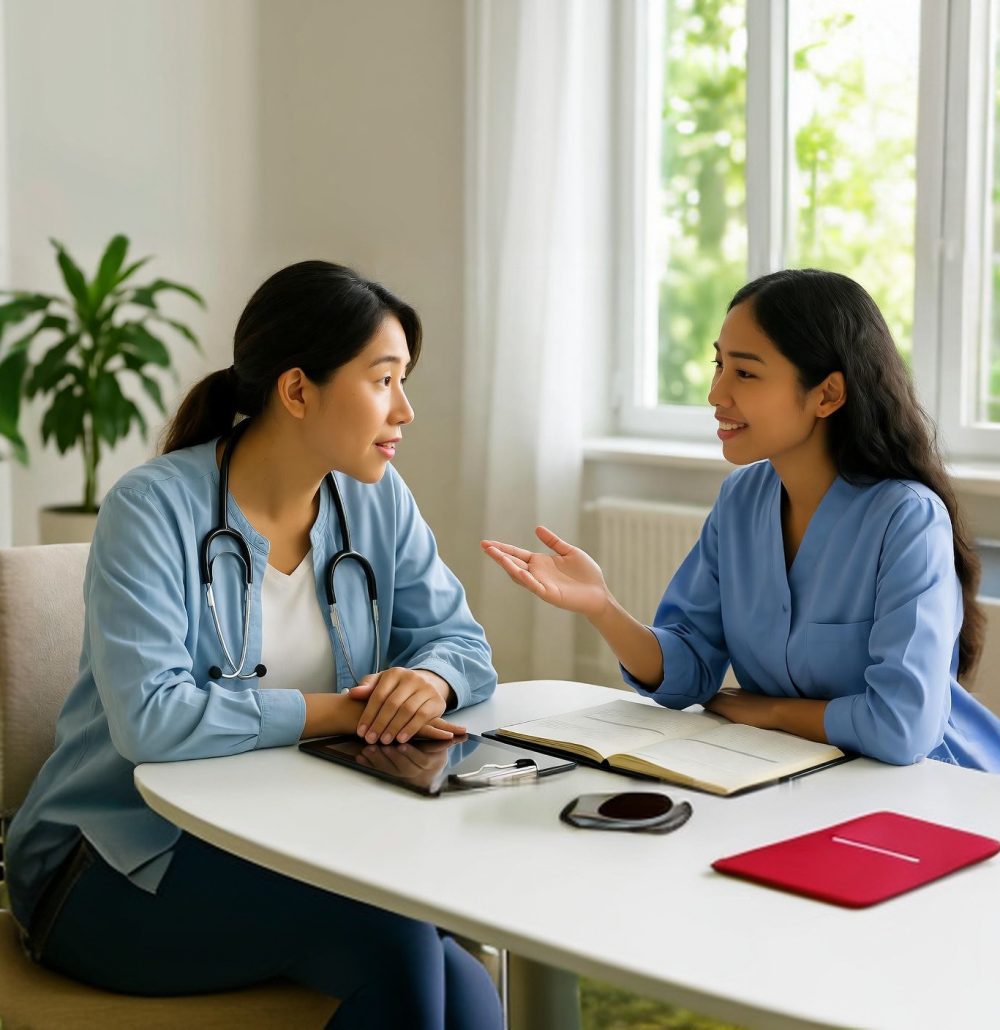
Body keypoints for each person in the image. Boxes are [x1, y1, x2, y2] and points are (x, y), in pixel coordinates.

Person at [6, 261, 503, 1030]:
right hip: (111, 865)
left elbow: (463, 645)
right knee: (401, 940)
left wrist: (431, 681)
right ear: (298, 389)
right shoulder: (151, 509)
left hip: (282, 839)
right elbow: (152, 721)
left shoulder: (377, 500)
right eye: (383, 380)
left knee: (466, 986)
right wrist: (340, 711)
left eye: (405, 381)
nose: (405, 409)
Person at [483, 268, 1000, 771]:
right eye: (718, 366)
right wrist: (602, 607)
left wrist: (772, 712)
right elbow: (689, 672)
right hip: (787, 773)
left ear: (828, 394)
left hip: (928, 789)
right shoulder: (741, 500)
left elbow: (903, 727)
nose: (716, 394)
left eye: (746, 372)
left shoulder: (906, 517)